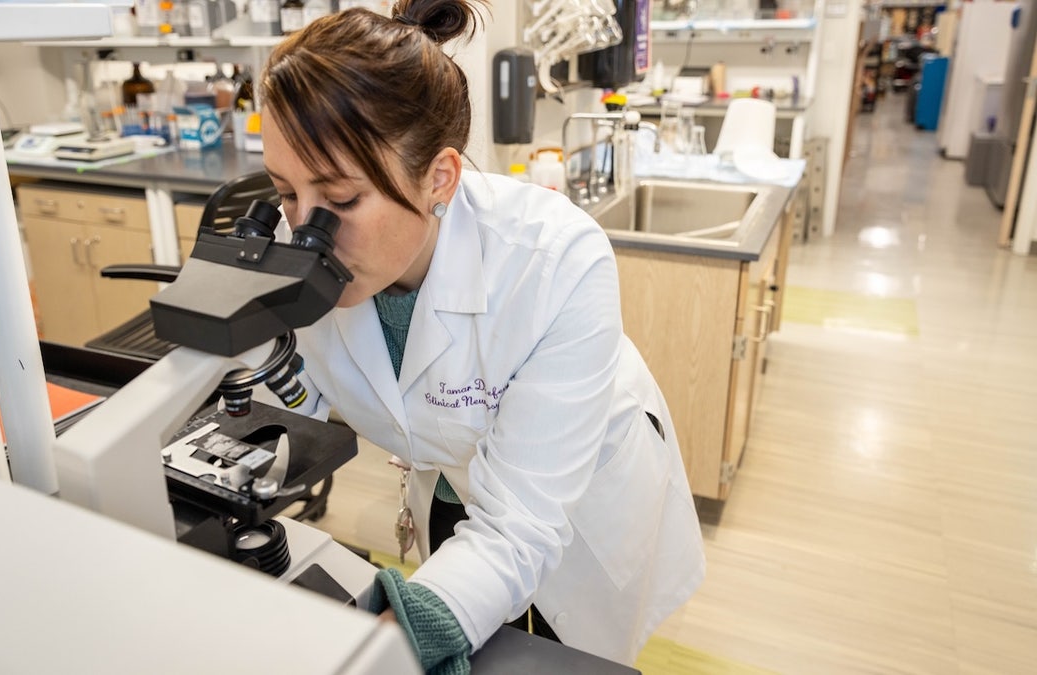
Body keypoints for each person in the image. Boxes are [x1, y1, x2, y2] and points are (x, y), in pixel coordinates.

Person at [257, 0, 705, 671]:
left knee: (562, 649)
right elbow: (277, 402)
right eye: (286, 193)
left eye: (342, 200)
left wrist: (387, 647)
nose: (306, 230)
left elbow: (521, 521)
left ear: (439, 176)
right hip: (448, 484)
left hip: (577, 497)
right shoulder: (295, 245)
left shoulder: (554, 258)